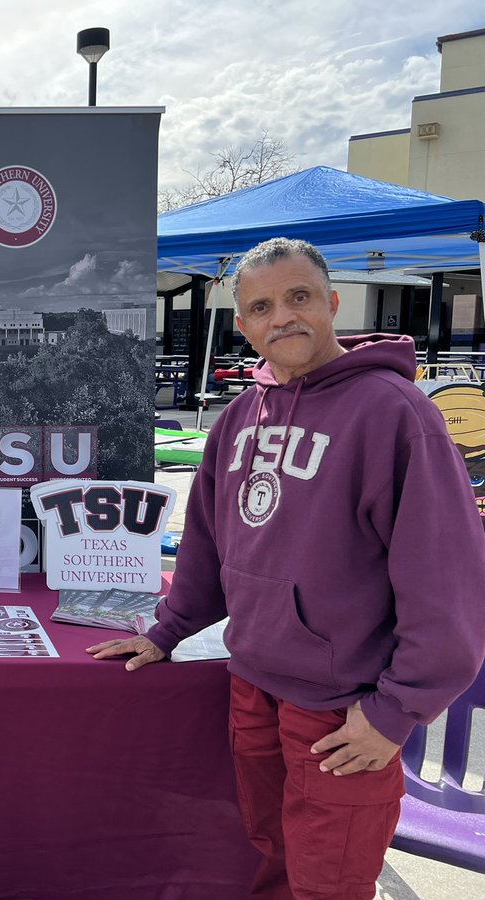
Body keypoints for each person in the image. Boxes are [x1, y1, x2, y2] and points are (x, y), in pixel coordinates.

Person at [88, 237, 485, 899]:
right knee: (271, 861)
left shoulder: (397, 414)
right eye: (262, 306)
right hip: (254, 688)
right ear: (241, 325)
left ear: (331, 303)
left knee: (329, 883)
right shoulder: (239, 416)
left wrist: (397, 713)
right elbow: (209, 547)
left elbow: (447, 579)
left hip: (343, 709)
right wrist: (165, 631)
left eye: (299, 297)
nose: (283, 317)